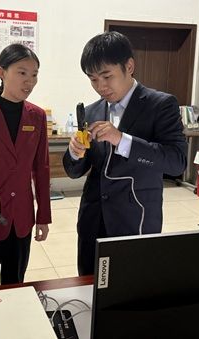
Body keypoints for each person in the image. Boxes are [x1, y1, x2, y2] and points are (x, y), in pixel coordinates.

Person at [63, 31, 187, 276]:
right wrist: (74, 153)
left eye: (107, 76)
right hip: (93, 218)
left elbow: (176, 162)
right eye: (93, 79)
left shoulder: (160, 105)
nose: (101, 86)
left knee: (133, 283)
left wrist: (122, 140)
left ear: (129, 66)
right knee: (89, 284)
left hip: (136, 217)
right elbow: (74, 170)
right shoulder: (92, 111)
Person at [0, 43, 51, 286]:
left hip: (21, 218)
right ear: (2, 72)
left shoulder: (37, 116)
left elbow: (41, 168)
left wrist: (43, 216)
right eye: (22, 72)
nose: (30, 81)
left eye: (34, 74)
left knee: (15, 283)